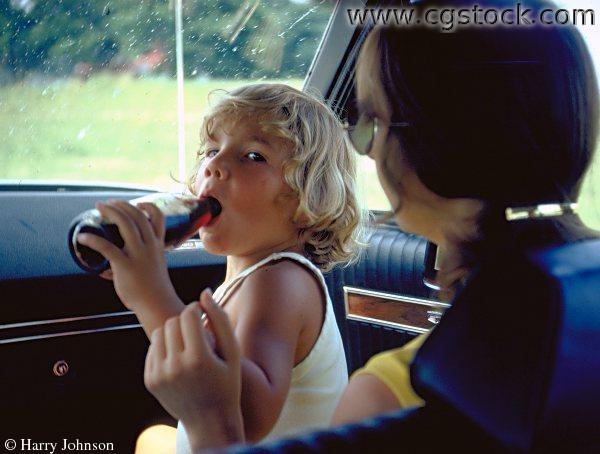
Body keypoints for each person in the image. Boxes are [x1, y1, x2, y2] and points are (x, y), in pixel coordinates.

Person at [142, 0, 600, 450]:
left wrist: (207, 422)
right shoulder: (577, 303)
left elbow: (243, 423)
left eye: (371, 123)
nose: (367, 150)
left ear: (425, 146)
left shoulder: (385, 401)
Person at [76, 83, 365, 449]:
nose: (214, 165)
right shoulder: (252, 277)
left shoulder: (281, 281)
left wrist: (150, 298)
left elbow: (241, 419)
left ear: (307, 196)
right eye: (213, 150)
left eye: (253, 156)